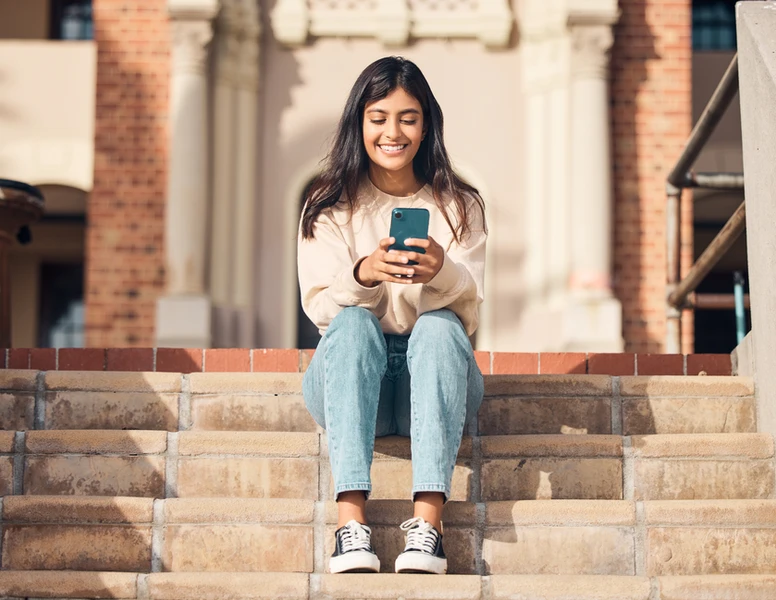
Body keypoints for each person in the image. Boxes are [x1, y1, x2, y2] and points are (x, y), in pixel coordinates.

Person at [297, 56, 486, 575]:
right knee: (353, 323)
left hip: (436, 376)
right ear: (359, 124)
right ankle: (350, 527)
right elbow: (320, 309)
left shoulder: (459, 204)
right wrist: (363, 275)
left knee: (441, 325)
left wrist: (442, 271)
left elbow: (469, 310)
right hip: (355, 378)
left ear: (426, 126)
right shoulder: (328, 204)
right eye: (378, 118)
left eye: (408, 118)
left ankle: (428, 527)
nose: (393, 133)